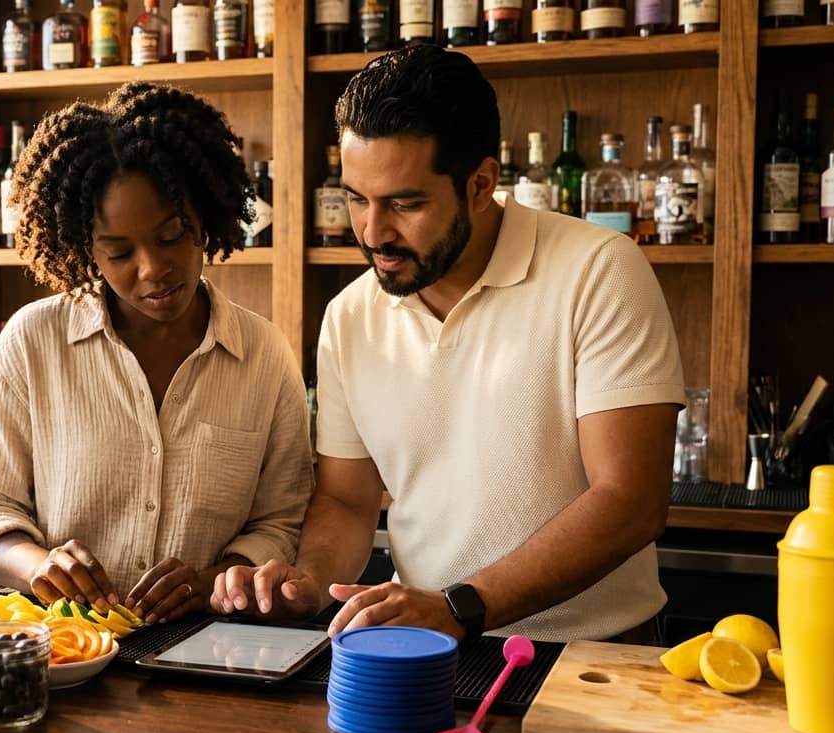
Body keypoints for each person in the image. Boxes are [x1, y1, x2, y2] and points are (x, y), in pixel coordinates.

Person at [210, 45, 686, 642]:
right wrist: (308, 583)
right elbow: (347, 500)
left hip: (592, 656)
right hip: (427, 647)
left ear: (481, 183)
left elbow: (631, 501)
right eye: (358, 199)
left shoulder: (599, 270)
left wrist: (461, 607)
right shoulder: (350, 315)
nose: (373, 232)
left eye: (405, 204)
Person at [0, 82, 313, 625]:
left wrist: (219, 577)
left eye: (171, 236)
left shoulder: (264, 355)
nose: (152, 268)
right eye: (118, 252)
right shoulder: (31, 343)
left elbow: (281, 521)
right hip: (65, 650)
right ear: (85, 249)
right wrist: (38, 567)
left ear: (205, 216)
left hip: (209, 648)